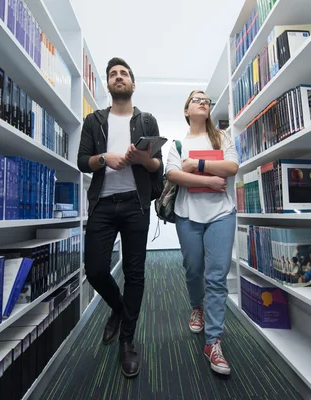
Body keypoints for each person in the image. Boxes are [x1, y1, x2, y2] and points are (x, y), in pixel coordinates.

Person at [77, 57, 163, 378]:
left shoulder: (147, 121)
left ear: (132, 84)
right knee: (96, 269)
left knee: (134, 272)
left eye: (123, 73)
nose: (118, 77)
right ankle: (118, 308)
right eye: (113, 74)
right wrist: (105, 158)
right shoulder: (94, 121)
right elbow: (82, 161)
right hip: (102, 203)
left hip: (135, 204)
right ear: (108, 85)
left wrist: (144, 159)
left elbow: (159, 169)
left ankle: (127, 340)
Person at [165, 90, 239, 375]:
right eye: (196, 99)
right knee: (194, 269)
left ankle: (214, 341)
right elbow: (172, 174)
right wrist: (208, 181)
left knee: (217, 277)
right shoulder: (178, 144)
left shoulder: (222, 138)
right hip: (188, 215)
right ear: (186, 110)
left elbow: (231, 167)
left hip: (221, 214)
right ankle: (197, 306)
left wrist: (198, 164)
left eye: (206, 100)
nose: (203, 102)